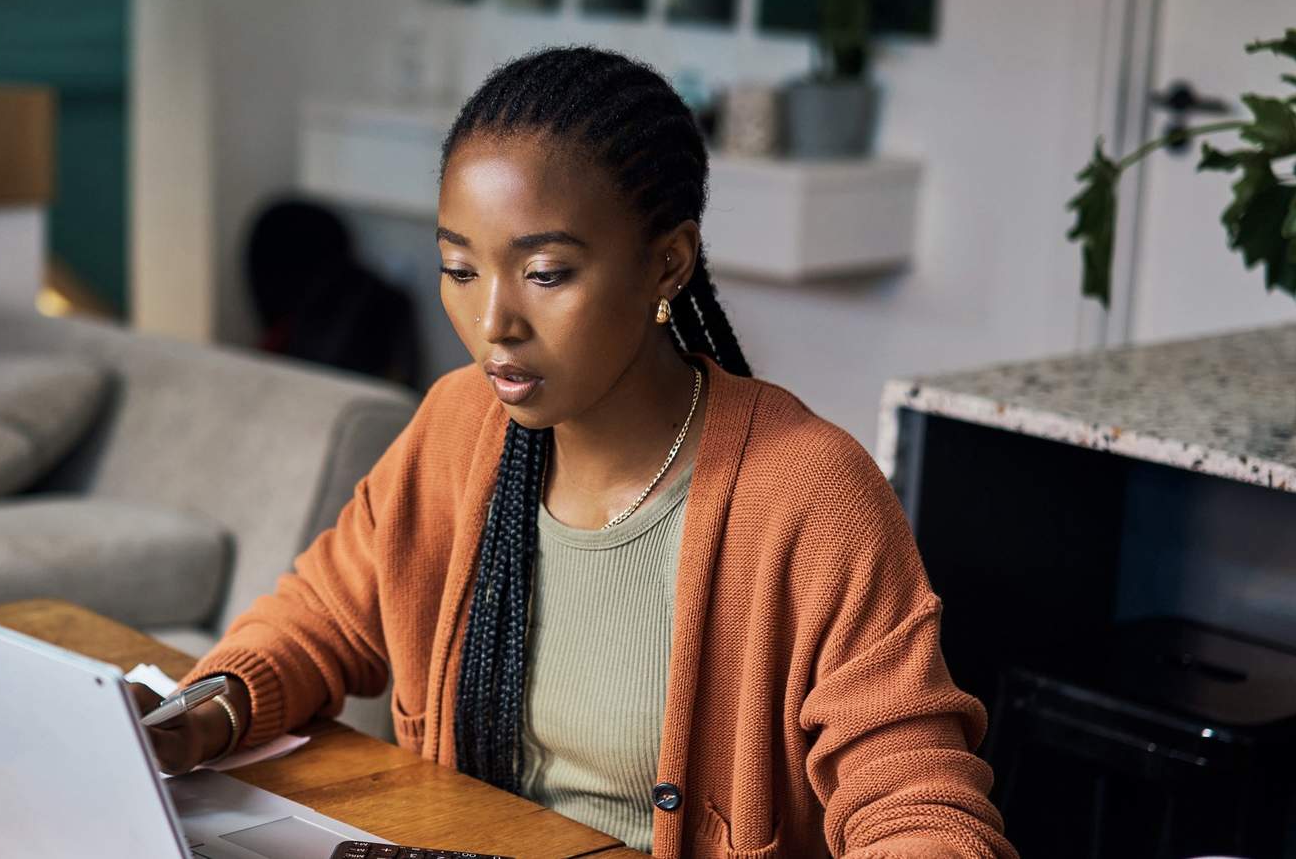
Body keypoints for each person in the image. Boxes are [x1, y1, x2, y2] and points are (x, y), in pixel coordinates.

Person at [129, 46, 1015, 858]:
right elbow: (319, 618)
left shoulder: (807, 492)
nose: (492, 326)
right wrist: (199, 714)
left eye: (546, 273)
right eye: (460, 268)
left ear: (668, 265)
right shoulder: (456, 425)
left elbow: (916, 799)